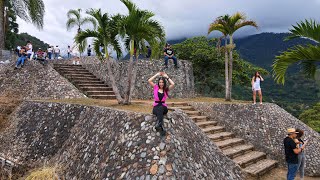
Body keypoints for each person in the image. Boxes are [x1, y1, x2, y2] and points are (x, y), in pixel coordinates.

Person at [148, 72, 175, 136]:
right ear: (158, 83)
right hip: (156, 107)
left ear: (164, 83)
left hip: (164, 107)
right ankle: (161, 126)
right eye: (160, 82)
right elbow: (149, 80)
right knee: (158, 110)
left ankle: (159, 124)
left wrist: (167, 77)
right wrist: (157, 75)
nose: (161, 84)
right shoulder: (155, 87)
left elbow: (173, 84)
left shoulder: (166, 89)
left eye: (162, 82)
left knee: (160, 108)